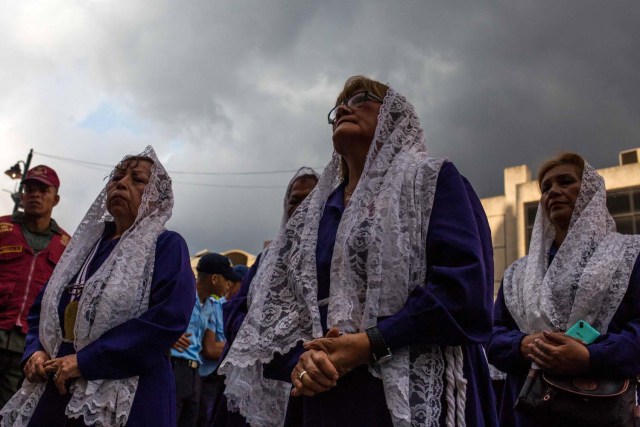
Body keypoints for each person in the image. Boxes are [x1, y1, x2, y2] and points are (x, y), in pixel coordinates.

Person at [218, 76, 496, 427]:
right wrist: (302, 366)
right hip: (326, 396)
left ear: (395, 116)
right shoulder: (311, 218)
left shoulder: (431, 180)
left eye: (363, 98)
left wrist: (371, 343)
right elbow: (270, 318)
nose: (345, 108)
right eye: (339, 108)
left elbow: (466, 290)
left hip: (410, 391)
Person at [0, 147, 195, 427]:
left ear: (156, 197)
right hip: (59, 381)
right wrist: (36, 351)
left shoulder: (166, 246)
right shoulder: (83, 248)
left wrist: (86, 361)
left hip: (127, 390)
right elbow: (43, 308)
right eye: (116, 177)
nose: (121, 183)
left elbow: (166, 320)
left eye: (136, 180)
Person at [486, 153, 640, 426]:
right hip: (529, 410)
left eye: (565, 182)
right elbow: (493, 336)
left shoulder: (630, 254)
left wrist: (590, 356)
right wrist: (523, 345)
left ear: (590, 192)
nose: (553, 191)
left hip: (604, 407)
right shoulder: (516, 274)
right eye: (545, 188)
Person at [211, 166, 319, 427]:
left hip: (299, 384)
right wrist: (256, 338)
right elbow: (236, 309)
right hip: (249, 384)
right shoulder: (266, 260)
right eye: (295, 200)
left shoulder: (327, 257)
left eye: (310, 200)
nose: (301, 208)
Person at [0, 165, 70, 407]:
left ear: (56, 198)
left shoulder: (67, 246)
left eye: (43, 190)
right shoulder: (3, 228)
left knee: (9, 411)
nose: (35, 195)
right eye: (29, 189)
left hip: (30, 351)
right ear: (22, 195)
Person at [185, 253, 239, 427]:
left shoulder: (210, 305)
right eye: (226, 279)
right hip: (177, 366)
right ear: (215, 278)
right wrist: (169, 336)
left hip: (195, 373)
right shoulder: (183, 296)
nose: (228, 284)